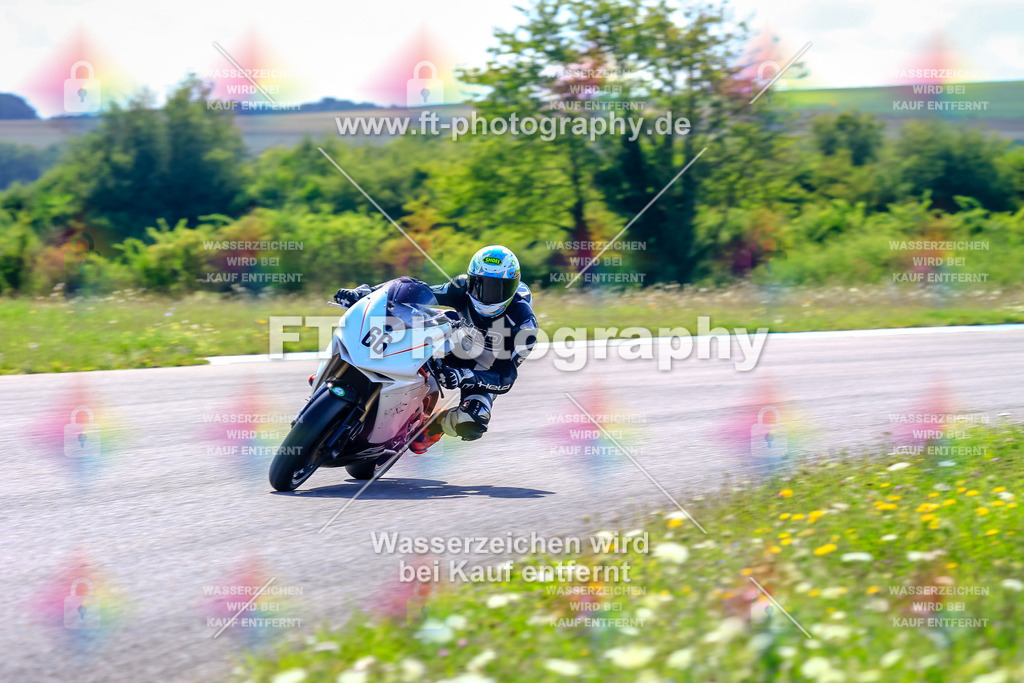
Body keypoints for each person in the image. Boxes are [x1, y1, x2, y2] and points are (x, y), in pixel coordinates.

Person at [333, 245, 538, 453]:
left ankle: (435, 425)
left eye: (497, 289)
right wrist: (366, 294)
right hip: (456, 339)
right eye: (480, 285)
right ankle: (348, 370)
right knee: (402, 319)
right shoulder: (461, 288)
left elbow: (505, 378)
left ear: (512, 288)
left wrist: (464, 375)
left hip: (484, 368)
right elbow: (416, 290)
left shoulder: (524, 325)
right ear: (470, 280)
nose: (487, 296)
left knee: (472, 423)